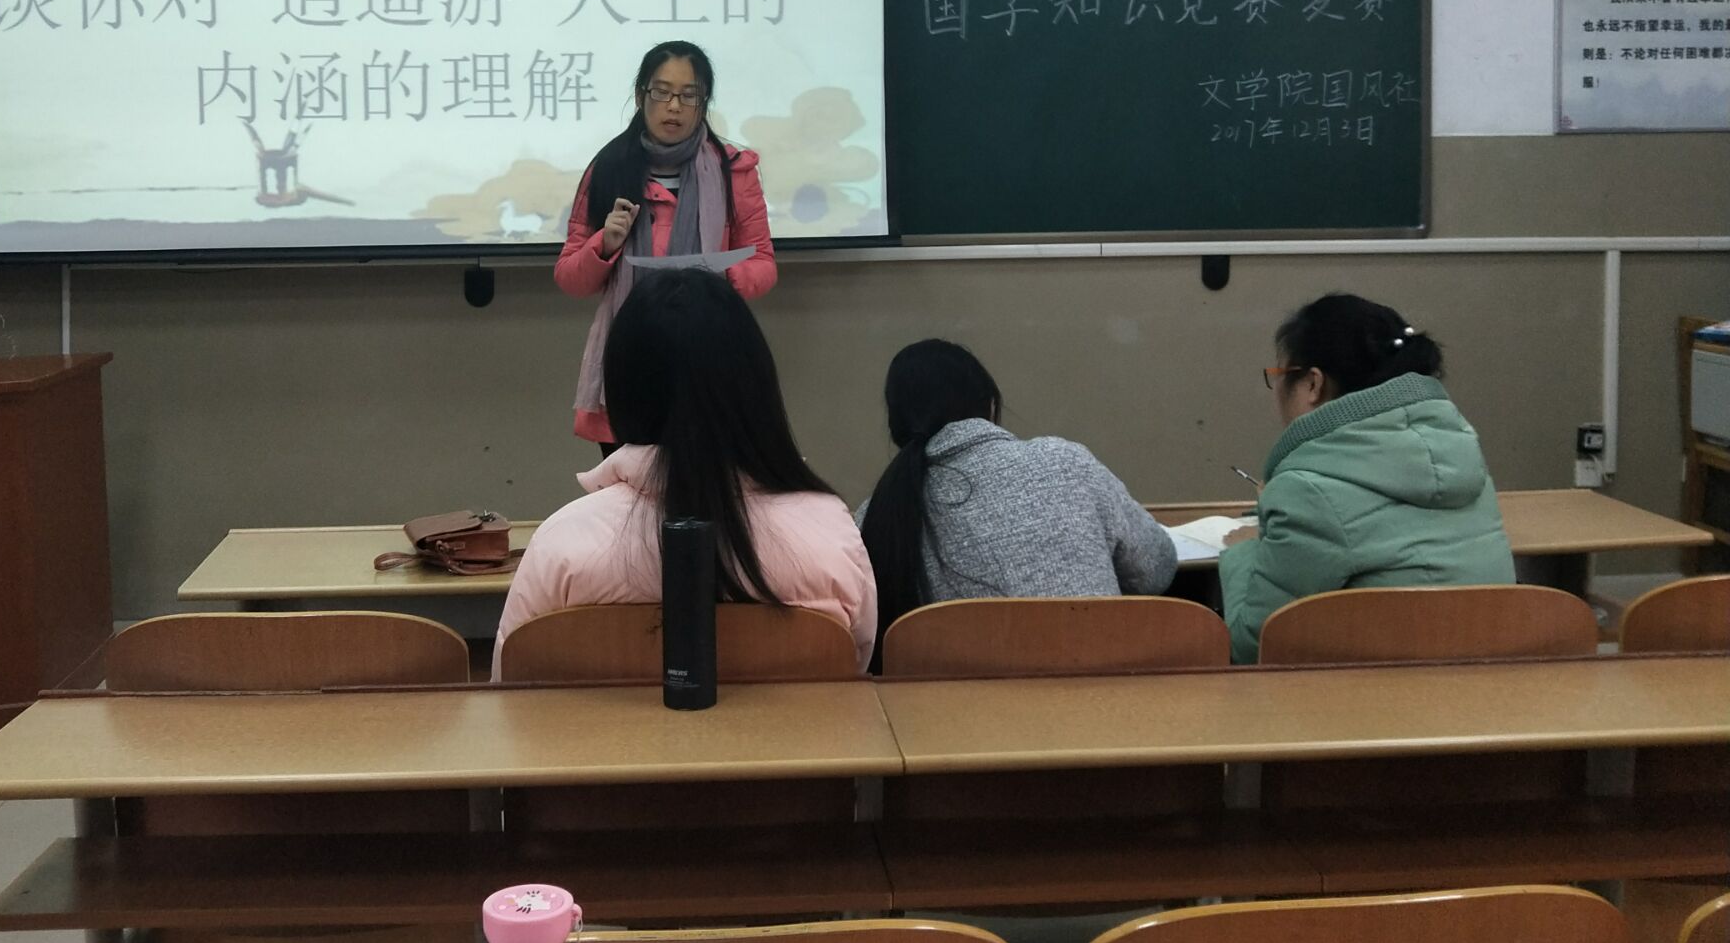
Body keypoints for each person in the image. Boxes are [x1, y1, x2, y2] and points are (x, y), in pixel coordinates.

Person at [495, 268, 876, 677]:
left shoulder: (562, 542)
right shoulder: (830, 535)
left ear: (623, 390)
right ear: (755, 386)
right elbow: (854, 671)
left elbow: (510, 685)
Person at [1220, 293, 1515, 664]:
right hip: (1490, 682)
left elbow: (1252, 646)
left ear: (1312, 383)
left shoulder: (1307, 492)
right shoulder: (1463, 458)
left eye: (1279, 377)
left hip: (1378, 693)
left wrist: (1246, 550)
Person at [856, 339, 1176, 668]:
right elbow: (1156, 571)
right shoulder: (1066, 462)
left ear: (896, 429)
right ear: (990, 405)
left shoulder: (876, 516)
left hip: (962, 700)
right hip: (1107, 691)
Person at [556, 41, 775, 451]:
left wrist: (723, 276)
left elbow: (764, 263)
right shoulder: (609, 167)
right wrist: (605, 244)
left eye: (689, 95)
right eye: (662, 92)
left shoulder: (734, 171)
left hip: (708, 358)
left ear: (703, 103)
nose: (674, 106)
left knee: (702, 486)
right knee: (627, 489)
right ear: (641, 96)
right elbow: (570, 278)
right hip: (629, 361)